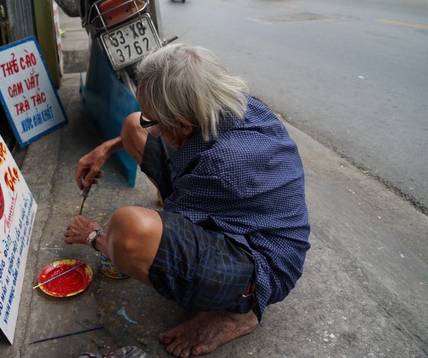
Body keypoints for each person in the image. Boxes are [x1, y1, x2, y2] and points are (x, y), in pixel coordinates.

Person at [64, 44, 310, 357]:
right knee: (131, 125)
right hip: (242, 212)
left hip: (262, 267)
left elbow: (155, 245)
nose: (149, 126)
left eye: (155, 122)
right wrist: (108, 148)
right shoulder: (233, 104)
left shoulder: (219, 166)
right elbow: (144, 129)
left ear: (183, 126)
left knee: (128, 232)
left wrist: (95, 236)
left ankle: (238, 313)